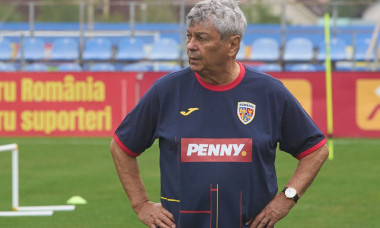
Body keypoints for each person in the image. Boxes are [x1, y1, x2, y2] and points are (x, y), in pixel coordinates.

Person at [110, 0, 329, 227]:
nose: (190, 45)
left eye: (202, 38)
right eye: (189, 36)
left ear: (232, 45)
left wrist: (286, 199)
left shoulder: (268, 92)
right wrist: (141, 204)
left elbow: (315, 150)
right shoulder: (166, 91)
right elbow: (121, 146)